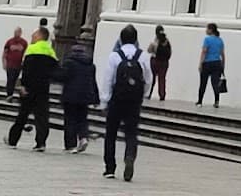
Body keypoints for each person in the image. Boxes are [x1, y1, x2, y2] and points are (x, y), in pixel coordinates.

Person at [99, 24, 152, 182]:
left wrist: (104, 101)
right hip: (133, 100)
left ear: (121, 39)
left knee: (111, 133)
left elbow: (108, 79)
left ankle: (110, 167)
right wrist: (143, 94)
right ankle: (129, 156)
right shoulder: (143, 56)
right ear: (136, 40)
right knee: (131, 132)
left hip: (117, 99)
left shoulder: (115, 56)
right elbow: (148, 79)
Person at [5, 28, 57, 151]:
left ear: (40, 36)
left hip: (29, 88)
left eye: (34, 35)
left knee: (22, 115)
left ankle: (13, 140)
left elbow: (27, 69)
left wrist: (22, 85)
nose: (32, 38)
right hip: (43, 88)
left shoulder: (31, 49)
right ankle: (41, 143)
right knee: (42, 117)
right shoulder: (50, 51)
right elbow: (55, 69)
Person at [60, 37, 99, 154]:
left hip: (70, 96)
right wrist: (96, 98)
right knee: (82, 118)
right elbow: (93, 82)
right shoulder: (90, 64)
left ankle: (70, 145)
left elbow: (63, 77)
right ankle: (83, 137)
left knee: (70, 119)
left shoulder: (68, 63)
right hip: (85, 96)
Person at [197, 23, 226, 108]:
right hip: (217, 63)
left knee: (203, 83)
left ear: (210, 30)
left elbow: (204, 52)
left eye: (207, 29)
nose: (206, 30)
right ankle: (216, 101)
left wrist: (200, 63)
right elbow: (222, 54)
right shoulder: (220, 40)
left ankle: (200, 101)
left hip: (207, 63)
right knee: (215, 83)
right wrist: (223, 65)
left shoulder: (207, 39)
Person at [2, 27, 27, 101]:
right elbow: (5, 53)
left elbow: (25, 53)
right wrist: (4, 62)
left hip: (18, 65)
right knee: (10, 79)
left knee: (15, 79)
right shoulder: (9, 42)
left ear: (20, 33)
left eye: (18, 32)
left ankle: (11, 92)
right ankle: (9, 94)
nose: (16, 33)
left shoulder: (24, 42)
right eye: (15, 32)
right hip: (10, 64)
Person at [148, 26, 172, 100]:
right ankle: (162, 95)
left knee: (152, 78)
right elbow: (170, 52)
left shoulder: (155, 40)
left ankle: (149, 93)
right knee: (162, 79)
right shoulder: (167, 41)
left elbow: (149, 50)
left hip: (155, 61)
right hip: (164, 62)